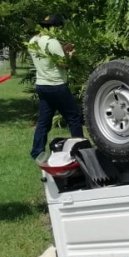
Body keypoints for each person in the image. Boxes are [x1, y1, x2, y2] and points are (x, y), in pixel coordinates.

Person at [28, 14, 84, 160]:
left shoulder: (33, 41)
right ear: (54, 27)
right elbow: (63, 64)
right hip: (57, 85)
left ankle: (37, 152)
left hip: (42, 85)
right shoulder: (52, 42)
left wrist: (62, 50)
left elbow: (49, 59)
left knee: (43, 122)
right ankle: (80, 150)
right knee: (73, 117)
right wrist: (70, 54)